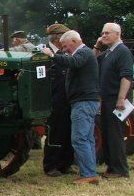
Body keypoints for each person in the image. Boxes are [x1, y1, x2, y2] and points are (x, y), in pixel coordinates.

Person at [41, 30, 100, 184]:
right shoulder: (83, 54)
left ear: (74, 41)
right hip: (84, 101)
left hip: (83, 102)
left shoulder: (84, 53)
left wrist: (52, 55)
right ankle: (89, 171)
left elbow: (73, 62)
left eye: (66, 46)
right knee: (87, 138)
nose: (65, 50)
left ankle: (88, 174)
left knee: (80, 138)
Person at [91, 22, 133, 178]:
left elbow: (126, 76)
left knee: (115, 135)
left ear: (118, 34)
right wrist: (97, 46)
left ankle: (120, 170)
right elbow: (91, 60)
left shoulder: (123, 52)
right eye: (102, 33)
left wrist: (121, 98)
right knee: (108, 134)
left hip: (117, 100)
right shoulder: (109, 52)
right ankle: (111, 167)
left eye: (107, 33)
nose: (103, 36)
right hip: (107, 99)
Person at [42, 23, 74, 177]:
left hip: (67, 98)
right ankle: (51, 165)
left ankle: (65, 164)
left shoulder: (65, 54)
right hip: (53, 98)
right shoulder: (42, 54)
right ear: (57, 38)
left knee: (68, 131)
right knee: (54, 132)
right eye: (65, 36)